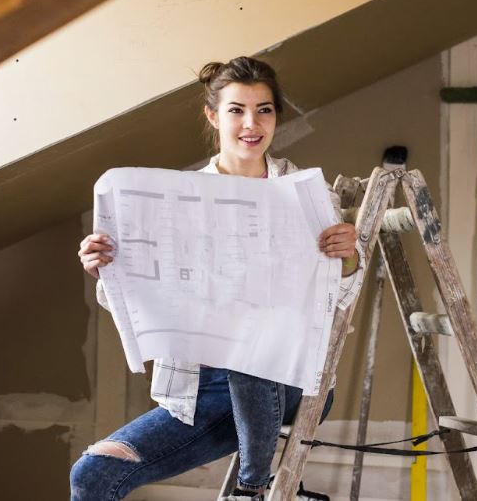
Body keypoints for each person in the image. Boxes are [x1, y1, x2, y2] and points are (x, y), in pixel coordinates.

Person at [71, 56, 363, 500]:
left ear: (276, 116)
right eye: (236, 110)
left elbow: (336, 304)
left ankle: (252, 487)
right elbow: (142, 304)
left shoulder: (307, 195)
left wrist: (348, 259)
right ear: (213, 115)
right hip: (200, 391)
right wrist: (108, 270)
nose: (252, 123)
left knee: (251, 342)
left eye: (264, 109)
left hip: (288, 384)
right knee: (92, 475)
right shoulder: (178, 200)